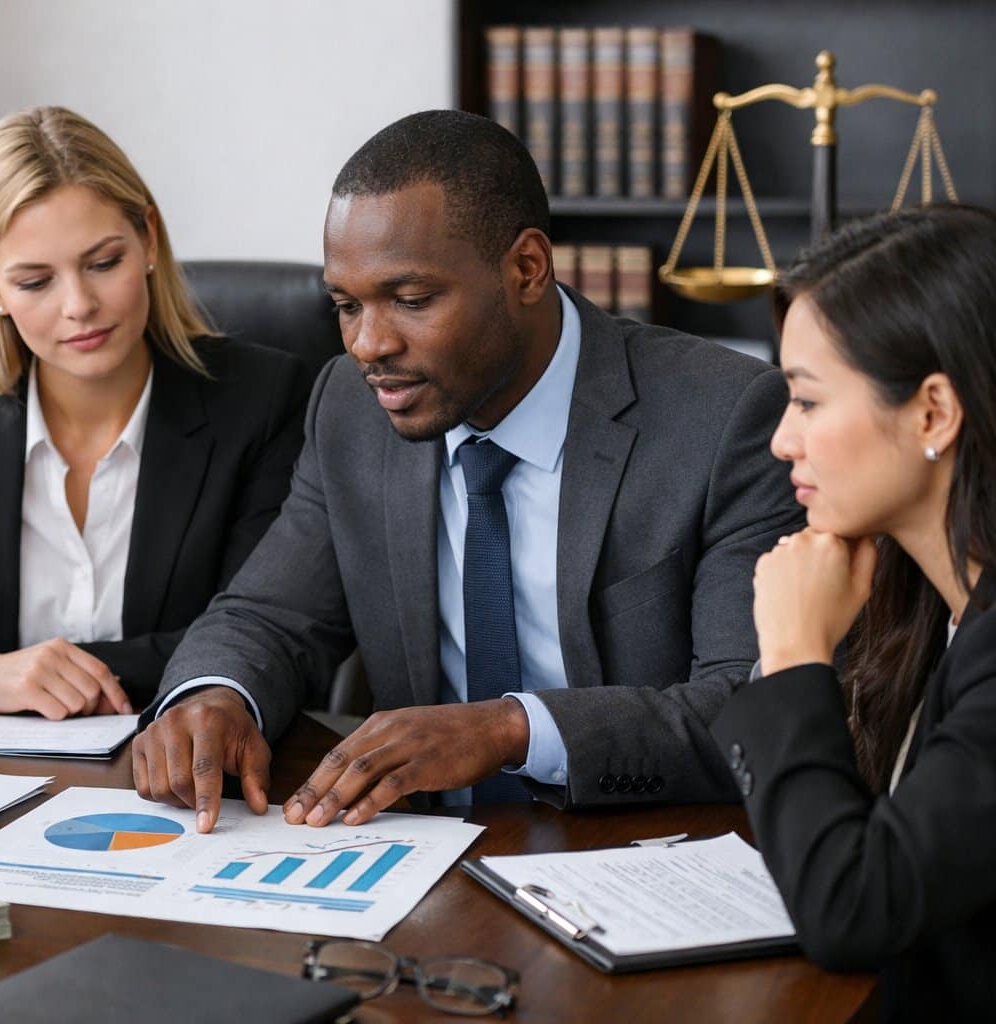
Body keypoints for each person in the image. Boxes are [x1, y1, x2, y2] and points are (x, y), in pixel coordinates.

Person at [132, 109, 801, 832]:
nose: (367, 344)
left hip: (636, 850)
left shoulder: (725, 416)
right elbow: (271, 614)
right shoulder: (350, 410)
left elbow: (746, 706)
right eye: (345, 305)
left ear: (526, 269)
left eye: (412, 300)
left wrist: (509, 730)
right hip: (419, 857)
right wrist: (213, 695)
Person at [0, 106, 310, 720]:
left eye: (103, 263)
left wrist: (50, 676)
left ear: (148, 238)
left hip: (180, 768)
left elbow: (270, 635)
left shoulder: (262, 397)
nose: (79, 306)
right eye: (36, 281)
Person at [711, 205, 996, 1018]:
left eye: (805, 401)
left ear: (933, 413)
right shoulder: (914, 595)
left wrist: (797, 649)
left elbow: (853, 909)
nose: (779, 443)